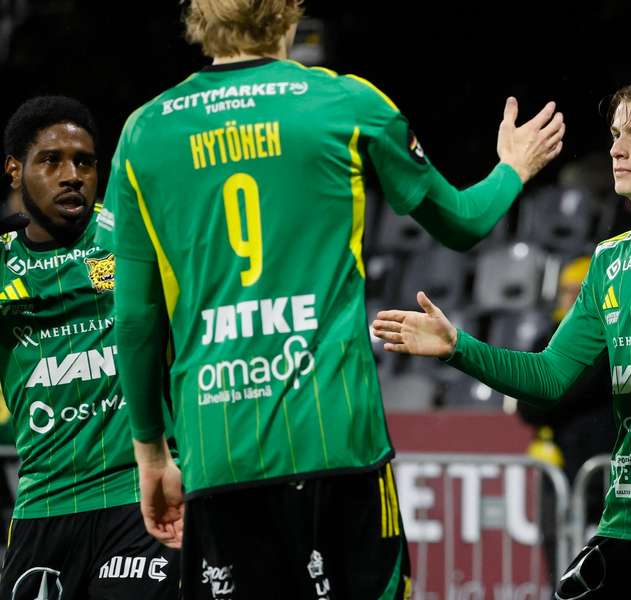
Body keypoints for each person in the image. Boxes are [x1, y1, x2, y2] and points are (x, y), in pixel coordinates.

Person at [95, 1, 565, 597]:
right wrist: (512, 169)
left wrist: (150, 451)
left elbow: (135, 318)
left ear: (196, 18)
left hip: (218, 450)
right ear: (289, 14)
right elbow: (463, 223)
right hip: (337, 441)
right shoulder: (347, 103)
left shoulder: (145, 131)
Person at [373, 75, 631, 599]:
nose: (618, 148)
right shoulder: (608, 260)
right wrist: (459, 346)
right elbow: (550, 376)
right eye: (617, 133)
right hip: (621, 524)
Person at [0, 96, 179, 600]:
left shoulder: (134, 238)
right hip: (43, 505)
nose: (72, 174)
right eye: (51, 161)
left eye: (83, 161)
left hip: (138, 494)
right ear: (15, 171)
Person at [517, 256, 616, 590]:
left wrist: (548, 391)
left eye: (579, 292)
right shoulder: (544, 338)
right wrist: (551, 392)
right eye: (566, 292)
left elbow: (582, 386)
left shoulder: (610, 338)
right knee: (557, 556)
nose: (570, 299)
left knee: (611, 557)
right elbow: (525, 406)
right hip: (557, 465)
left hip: (605, 465)